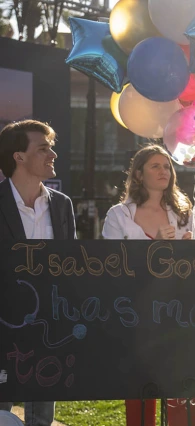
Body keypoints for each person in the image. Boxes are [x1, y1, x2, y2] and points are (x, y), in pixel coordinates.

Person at [101, 144, 195, 426]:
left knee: (183, 387)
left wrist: (192, 254)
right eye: (155, 166)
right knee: (141, 391)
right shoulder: (118, 215)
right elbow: (110, 268)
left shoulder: (183, 213)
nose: (163, 171)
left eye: (167, 166)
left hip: (180, 313)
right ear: (139, 174)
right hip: (135, 315)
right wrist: (153, 246)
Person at [0, 120, 77, 426]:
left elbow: (67, 265)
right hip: (3, 324)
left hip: (48, 325)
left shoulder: (62, 205)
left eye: (51, 147)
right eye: (43, 148)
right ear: (18, 156)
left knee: (42, 416)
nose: (53, 154)